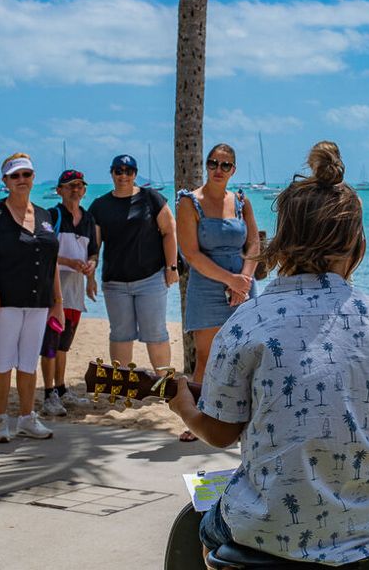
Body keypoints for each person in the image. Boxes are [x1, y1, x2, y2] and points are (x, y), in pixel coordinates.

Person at [168, 141, 369, 566]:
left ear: (280, 246)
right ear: (358, 248)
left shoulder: (247, 320)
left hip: (262, 534)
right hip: (363, 538)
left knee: (203, 526)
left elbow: (219, 432)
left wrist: (184, 408)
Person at [0, 153, 63, 443]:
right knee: (2, 363)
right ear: (5, 181)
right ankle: (0, 420)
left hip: (37, 303)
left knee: (28, 364)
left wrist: (57, 302)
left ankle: (26, 417)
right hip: (4, 303)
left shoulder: (46, 216)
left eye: (27, 174)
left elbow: (53, 262)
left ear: (34, 178)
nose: (22, 180)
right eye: (15, 176)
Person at [176, 143, 259, 442]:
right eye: (213, 163)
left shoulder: (241, 201)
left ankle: (245, 416)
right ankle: (198, 418)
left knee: (246, 353)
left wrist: (244, 280)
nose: (218, 170)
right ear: (206, 165)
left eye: (225, 165)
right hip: (207, 284)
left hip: (242, 285)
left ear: (234, 170)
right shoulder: (189, 202)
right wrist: (229, 280)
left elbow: (253, 245)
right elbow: (191, 254)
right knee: (206, 355)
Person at [89, 155, 178, 370]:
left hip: (151, 279)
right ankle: (122, 385)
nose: (123, 175)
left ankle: (163, 384)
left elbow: (169, 231)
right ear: (111, 173)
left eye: (128, 171)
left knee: (156, 333)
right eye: (118, 171)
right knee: (120, 335)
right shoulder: (100, 206)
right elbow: (94, 247)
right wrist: (89, 277)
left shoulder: (151, 198)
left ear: (135, 174)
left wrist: (171, 267)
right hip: (115, 283)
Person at [38, 169, 97, 416]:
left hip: (75, 294)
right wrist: (69, 262)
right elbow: (42, 252)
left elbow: (93, 252)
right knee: (49, 345)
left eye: (79, 186)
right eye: (70, 186)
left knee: (63, 346)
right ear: (59, 190)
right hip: (54, 292)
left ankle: (62, 390)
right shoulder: (52, 215)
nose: (75, 190)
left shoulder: (88, 219)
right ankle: (48, 393)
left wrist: (91, 267)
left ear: (84, 191)